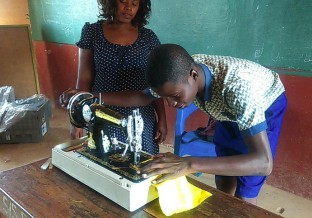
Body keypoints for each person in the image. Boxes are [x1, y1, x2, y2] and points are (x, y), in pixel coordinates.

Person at [60, 43, 287, 205]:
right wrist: (93, 96)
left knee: (246, 189)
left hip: (265, 106)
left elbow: (263, 162)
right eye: (165, 97)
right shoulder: (177, 75)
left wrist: (189, 164)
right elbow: (142, 97)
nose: (170, 104)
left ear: (193, 76)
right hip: (228, 111)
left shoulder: (238, 90)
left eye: (175, 96)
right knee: (225, 177)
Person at [70, 0, 167, 155]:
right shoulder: (92, 32)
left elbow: (155, 85)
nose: (128, 7)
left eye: (134, 3)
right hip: (102, 113)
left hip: (140, 116)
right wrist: (78, 118)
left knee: (140, 164)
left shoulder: (149, 38)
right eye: (123, 1)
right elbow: (84, 78)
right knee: (104, 161)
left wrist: (162, 118)